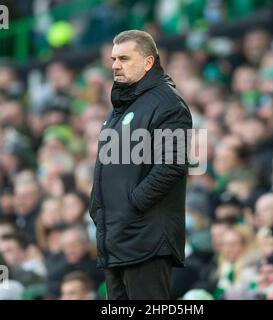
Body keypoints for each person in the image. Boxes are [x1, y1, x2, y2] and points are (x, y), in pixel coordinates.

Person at [89, 30, 192, 300]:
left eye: (124, 58)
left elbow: (172, 166)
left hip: (147, 239)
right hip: (117, 238)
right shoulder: (122, 104)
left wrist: (131, 205)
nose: (115, 65)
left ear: (148, 62)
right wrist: (98, 207)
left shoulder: (168, 103)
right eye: (113, 58)